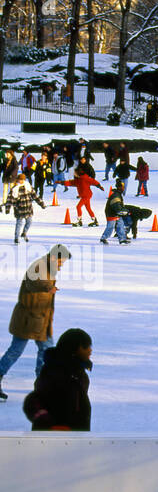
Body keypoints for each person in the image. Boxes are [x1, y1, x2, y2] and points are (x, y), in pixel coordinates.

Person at [0, 244, 73, 401]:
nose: (61, 266)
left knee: (45, 351)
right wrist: (48, 287)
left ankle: (43, 384)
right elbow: (32, 283)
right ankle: (42, 384)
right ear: (54, 257)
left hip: (40, 319)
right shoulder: (40, 266)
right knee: (17, 351)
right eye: (60, 262)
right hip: (28, 318)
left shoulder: (47, 266)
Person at [23, 327, 93, 431]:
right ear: (75, 349)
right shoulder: (55, 371)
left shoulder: (78, 372)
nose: (90, 350)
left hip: (74, 437)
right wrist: (49, 424)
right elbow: (33, 401)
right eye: (86, 347)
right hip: (52, 439)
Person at [5, 172, 38, 243]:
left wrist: (42, 204)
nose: (22, 181)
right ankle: (16, 238)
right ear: (17, 180)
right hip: (19, 209)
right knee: (19, 223)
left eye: (23, 179)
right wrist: (8, 208)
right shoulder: (15, 188)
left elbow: (35, 195)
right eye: (20, 179)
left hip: (28, 208)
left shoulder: (28, 186)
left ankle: (24, 233)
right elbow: (9, 199)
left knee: (29, 222)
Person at [100, 180, 130, 245]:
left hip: (117, 213)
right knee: (110, 227)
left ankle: (122, 240)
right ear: (119, 187)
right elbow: (116, 205)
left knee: (120, 226)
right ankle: (103, 238)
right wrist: (122, 211)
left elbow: (119, 205)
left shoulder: (118, 194)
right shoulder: (116, 195)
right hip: (111, 213)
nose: (123, 188)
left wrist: (124, 211)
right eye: (122, 187)